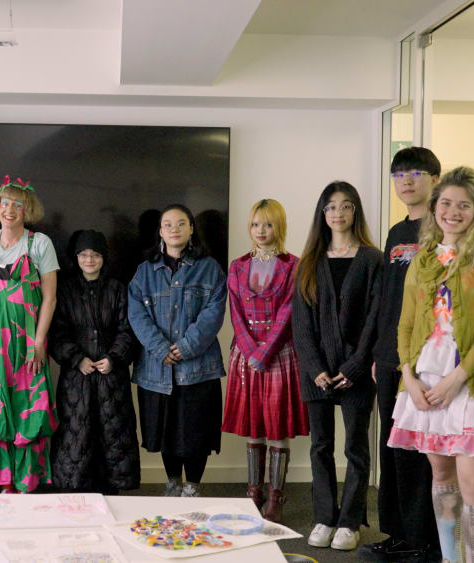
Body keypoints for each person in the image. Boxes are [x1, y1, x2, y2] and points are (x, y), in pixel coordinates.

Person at [387, 167, 474, 563]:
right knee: (442, 477)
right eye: (446, 203)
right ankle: (449, 559)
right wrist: (409, 379)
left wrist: (455, 380)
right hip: (425, 382)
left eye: (464, 205)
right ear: (435, 208)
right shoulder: (423, 258)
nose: (453, 211)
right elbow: (406, 324)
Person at [359, 147, 443, 562]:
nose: (406, 181)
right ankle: (398, 531)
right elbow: (388, 299)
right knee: (393, 449)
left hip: (425, 361)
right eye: (399, 175)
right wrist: (379, 352)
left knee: (419, 452)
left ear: (434, 178)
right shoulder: (395, 232)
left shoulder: (441, 229)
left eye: (414, 173)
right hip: (390, 357)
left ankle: (423, 538)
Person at [292, 182, 382, 551]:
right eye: (330, 207)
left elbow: (377, 318)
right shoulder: (309, 261)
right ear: (322, 214)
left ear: (355, 212)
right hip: (318, 373)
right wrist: (315, 367)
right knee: (320, 447)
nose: (338, 213)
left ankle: (350, 523)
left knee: (356, 449)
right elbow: (300, 323)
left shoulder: (373, 259)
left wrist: (358, 365)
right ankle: (324, 517)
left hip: (356, 372)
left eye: (346, 206)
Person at [127, 204, 227, 498]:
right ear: (160, 231)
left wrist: (185, 347)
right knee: (165, 431)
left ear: (191, 228)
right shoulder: (144, 272)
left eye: (180, 223)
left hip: (198, 369)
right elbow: (136, 314)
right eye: (167, 224)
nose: (174, 229)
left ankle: (193, 485)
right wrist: (160, 348)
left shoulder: (210, 268)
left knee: (196, 432)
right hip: (156, 369)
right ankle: (172, 482)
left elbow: (214, 313)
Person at [0, 176, 59, 493]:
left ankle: (28, 480)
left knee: (28, 409)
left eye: (18, 204)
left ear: (27, 209)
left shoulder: (40, 244)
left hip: (28, 344)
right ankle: (4, 481)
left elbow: (50, 298)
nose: (10, 209)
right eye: (5, 203)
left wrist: (38, 343)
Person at [222, 199, 307, 522]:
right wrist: (249, 349)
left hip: (279, 355)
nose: (261, 231)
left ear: (279, 227)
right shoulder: (238, 265)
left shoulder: (293, 265)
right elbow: (236, 313)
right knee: (252, 426)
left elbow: (288, 312)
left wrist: (264, 352)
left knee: (276, 427)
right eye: (256, 224)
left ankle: (276, 496)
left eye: (268, 224)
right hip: (244, 355)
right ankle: (252, 492)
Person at [49, 230, 141, 494]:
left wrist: (113, 358)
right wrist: (77, 359)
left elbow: (128, 330)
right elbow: (57, 332)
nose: (90, 259)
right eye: (84, 254)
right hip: (76, 377)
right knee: (76, 432)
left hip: (112, 376)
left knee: (114, 434)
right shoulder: (64, 290)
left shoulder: (117, 288)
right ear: (76, 257)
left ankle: (112, 495)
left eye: (96, 254)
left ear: (104, 258)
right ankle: (76, 498)